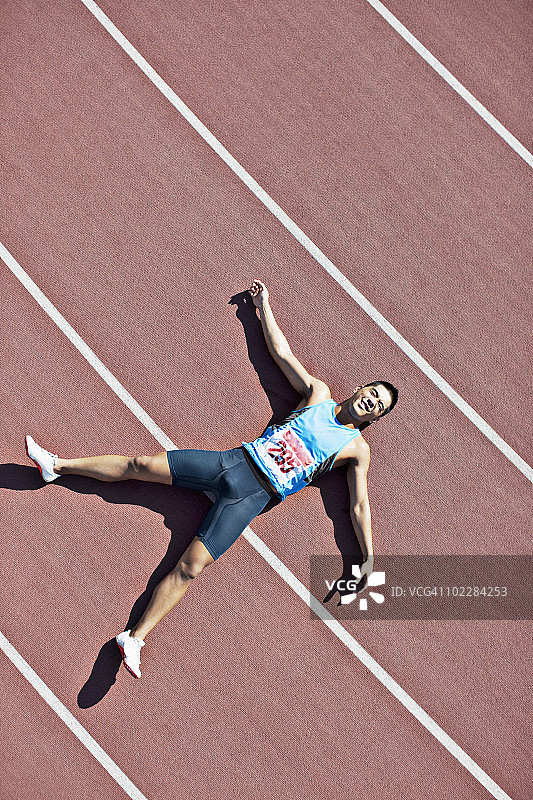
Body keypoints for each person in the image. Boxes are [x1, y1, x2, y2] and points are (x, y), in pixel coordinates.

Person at [25, 280, 398, 678]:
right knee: (140, 465)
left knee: (190, 566)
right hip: (232, 463)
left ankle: (133, 639)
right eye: (372, 392)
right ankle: (57, 467)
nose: (370, 400)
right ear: (360, 388)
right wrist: (260, 306)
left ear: (373, 418)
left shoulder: (356, 450)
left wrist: (367, 557)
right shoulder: (318, 395)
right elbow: (280, 353)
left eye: (377, 405)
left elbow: (358, 504)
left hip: (252, 498)